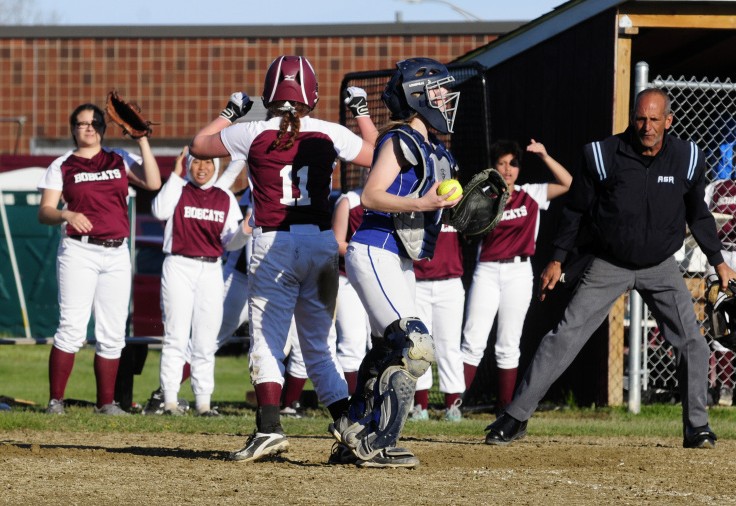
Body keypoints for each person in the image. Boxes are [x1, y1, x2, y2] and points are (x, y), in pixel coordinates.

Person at [485, 88, 736, 449]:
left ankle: (697, 427)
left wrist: (719, 263)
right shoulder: (603, 155)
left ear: (669, 121)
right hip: (609, 262)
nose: (646, 126)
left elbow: (698, 214)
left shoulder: (686, 157)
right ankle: (515, 416)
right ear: (632, 118)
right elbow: (575, 211)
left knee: (693, 344)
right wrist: (557, 259)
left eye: (654, 119)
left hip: (661, 266)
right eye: (640, 118)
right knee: (564, 336)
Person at [190, 55, 376, 463]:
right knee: (318, 346)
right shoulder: (329, 132)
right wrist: (361, 112)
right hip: (323, 244)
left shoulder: (252, 131)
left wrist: (229, 112)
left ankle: (269, 428)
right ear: (312, 95)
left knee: (268, 339)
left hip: (274, 244)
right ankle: (351, 426)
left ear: (268, 94)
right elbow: (376, 154)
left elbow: (199, 145)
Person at [329, 57, 461, 468]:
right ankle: (375, 441)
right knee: (414, 345)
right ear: (416, 96)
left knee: (393, 348)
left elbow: (431, 210)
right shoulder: (400, 138)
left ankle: (355, 426)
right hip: (374, 247)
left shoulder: (435, 149)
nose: (445, 97)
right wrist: (422, 202)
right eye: (437, 90)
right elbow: (370, 196)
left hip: (397, 257)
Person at [37, 102, 161, 415]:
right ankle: (56, 402)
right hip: (79, 251)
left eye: (94, 123)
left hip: (116, 252)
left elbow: (154, 182)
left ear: (103, 129)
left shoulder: (119, 158)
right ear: (73, 129)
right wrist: (66, 213)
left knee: (112, 330)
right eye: (81, 123)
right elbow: (45, 211)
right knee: (72, 328)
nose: (88, 128)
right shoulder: (63, 164)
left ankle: (106, 403)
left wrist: (142, 139)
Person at [461, 139, 571, 414]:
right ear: (493, 167)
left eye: (513, 163)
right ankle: (454, 404)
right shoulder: (483, 196)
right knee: (473, 339)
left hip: (519, 271)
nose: (507, 170)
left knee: (508, 342)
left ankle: (504, 408)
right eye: (501, 163)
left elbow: (568, 182)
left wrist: (545, 155)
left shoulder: (530, 194)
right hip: (487, 270)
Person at [150, 147, 246, 416]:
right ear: (188, 164)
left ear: (216, 166)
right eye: (196, 162)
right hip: (178, 264)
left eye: (208, 162)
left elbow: (231, 242)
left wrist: (245, 231)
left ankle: (203, 403)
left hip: (211, 269)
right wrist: (175, 174)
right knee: (175, 336)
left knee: (205, 339)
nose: (202, 168)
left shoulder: (224, 197)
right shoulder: (179, 188)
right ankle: (169, 400)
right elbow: (159, 211)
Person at [411, 223, 466, 422]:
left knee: (449, 346)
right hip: (417, 280)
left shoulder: (455, 199)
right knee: (418, 347)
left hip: (450, 282)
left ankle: (452, 405)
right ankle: (420, 406)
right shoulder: (414, 199)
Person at [331, 185, 371, 395]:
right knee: (352, 341)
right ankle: (353, 400)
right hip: (349, 279)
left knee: (383, 341)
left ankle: (382, 400)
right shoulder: (349, 200)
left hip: (383, 278)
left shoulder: (399, 196)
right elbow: (336, 242)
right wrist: (367, 250)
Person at [704, 175, 736, 406]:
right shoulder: (716, 186)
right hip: (720, 253)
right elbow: (701, 217)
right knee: (719, 315)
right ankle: (724, 385)